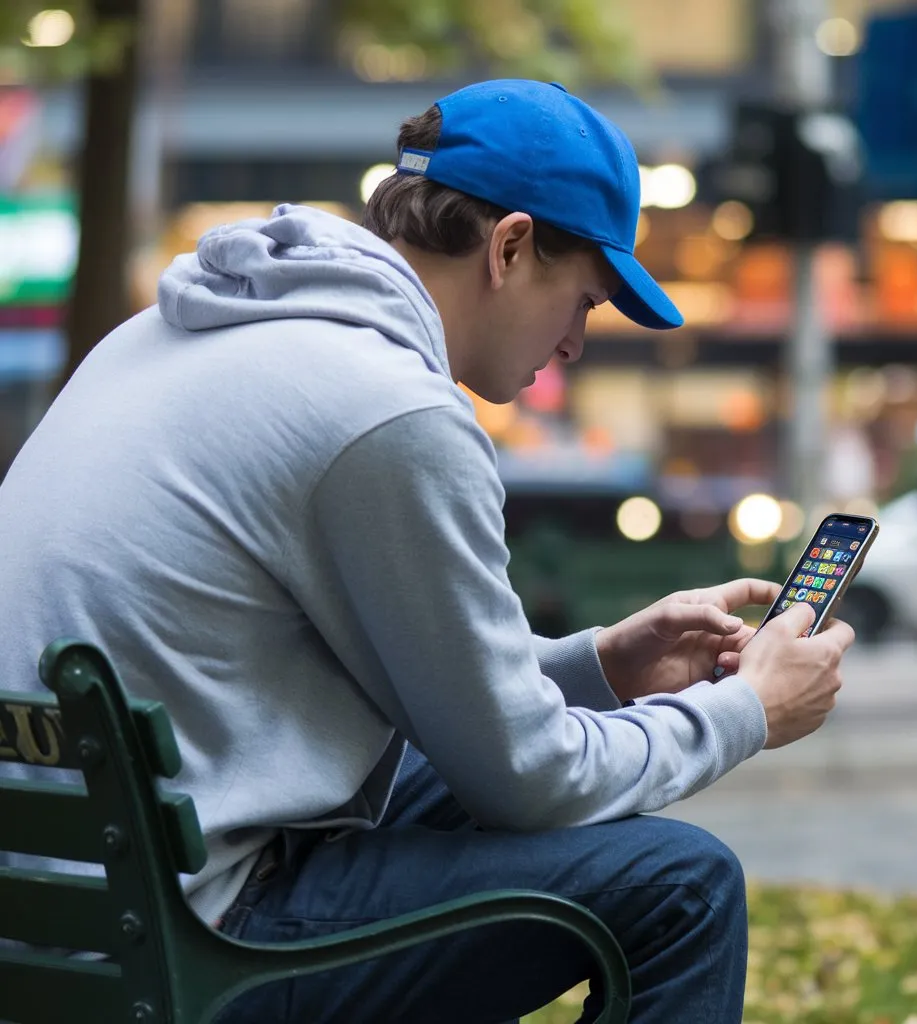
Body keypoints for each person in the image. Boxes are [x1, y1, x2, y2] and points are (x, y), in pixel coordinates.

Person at [0, 80, 853, 1023]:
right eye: (584, 301)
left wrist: (600, 666)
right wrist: (745, 709)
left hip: (55, 912)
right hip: (182, 951)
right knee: (682, 887)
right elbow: (530, 781)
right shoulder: (390, 411)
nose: (574, 342)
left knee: (433, 768)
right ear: (512, 246)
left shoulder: (163, 335)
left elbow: (446, 701)